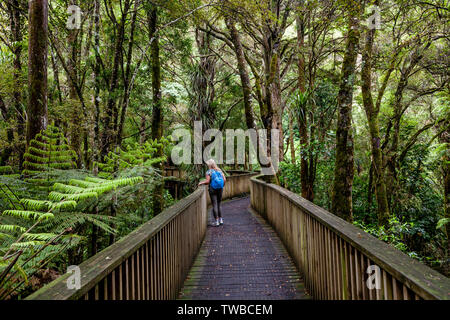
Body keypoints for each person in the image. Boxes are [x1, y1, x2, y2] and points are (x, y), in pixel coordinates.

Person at [198, 159, 226, 227]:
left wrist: (201, 182)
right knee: (219, 204)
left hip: (212, 189)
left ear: (209, 165)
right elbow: (224, 179)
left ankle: (216, 221)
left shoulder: (209, 172)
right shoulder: (219, 170)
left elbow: (207, 181)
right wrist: (222, 186)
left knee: (214, 204)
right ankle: (221, 220)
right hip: (220, 188)